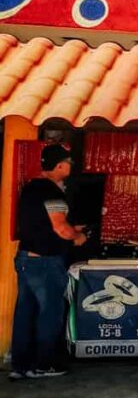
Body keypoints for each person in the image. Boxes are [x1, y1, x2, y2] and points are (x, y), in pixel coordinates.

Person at [10, 144, 87, 381]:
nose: (71, 167)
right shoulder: (52, 192)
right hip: (45, 262)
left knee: (25, 313)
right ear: (60, 165)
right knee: (49, 313)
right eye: (68, 163)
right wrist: (78, 237)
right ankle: (45, 364)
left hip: (25, 258)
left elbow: (42, 224)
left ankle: (20, 366)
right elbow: (60, 228)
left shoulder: (31, 188)